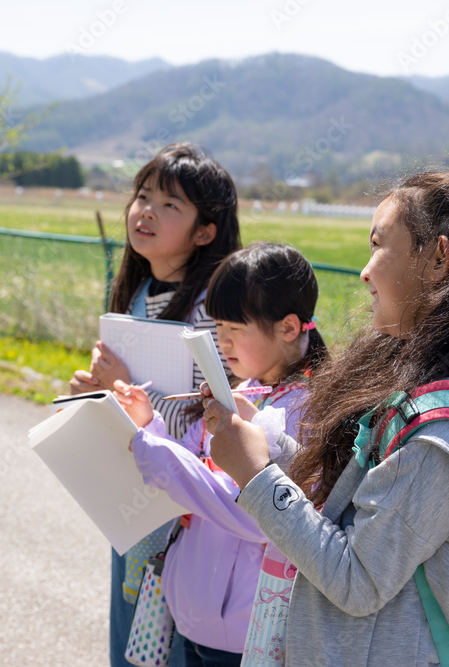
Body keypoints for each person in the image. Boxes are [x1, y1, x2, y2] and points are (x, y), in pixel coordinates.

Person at [203, 170, 449, 666]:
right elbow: (361, 505)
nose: (365, 271)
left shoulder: (441, 440)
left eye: (378, 245)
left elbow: (357, 580)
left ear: (439, 259)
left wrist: (256, 476)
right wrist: (266, 444)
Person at [67, 143, 241, 667]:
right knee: (133, 633)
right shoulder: (137, 291)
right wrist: (93, 397)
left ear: (205, 232)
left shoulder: (212, 310)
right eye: (143, 196)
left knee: (168, 640)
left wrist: (126, 388)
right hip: (135, 496)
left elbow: (218, 414)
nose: (146, 211)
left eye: (170, 205)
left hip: (184, 506)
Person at [115, 243, 329, 667]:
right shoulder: (246, 388)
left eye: (235, 327)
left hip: (243, 634)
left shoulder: (304, 411)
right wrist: (149, 425)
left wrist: (152, 449)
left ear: (288, 328)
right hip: (199, 617)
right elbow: (193, 461)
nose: (222, 340)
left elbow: (251, 511)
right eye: (217, 326)